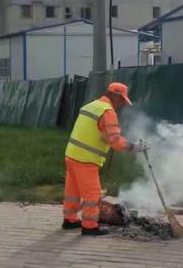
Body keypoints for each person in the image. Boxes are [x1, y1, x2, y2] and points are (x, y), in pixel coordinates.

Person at [62, 82, 147, 236]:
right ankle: (89, 226)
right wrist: (134, 147)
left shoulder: (91, 105)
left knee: (72, 191)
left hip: (72, 154)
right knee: (92, 195)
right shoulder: (107, 112)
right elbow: (115, 141)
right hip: (86, 160)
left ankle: (69, 220)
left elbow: (92, 131)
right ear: (115, 96)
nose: (121, 105)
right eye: (121, 100)